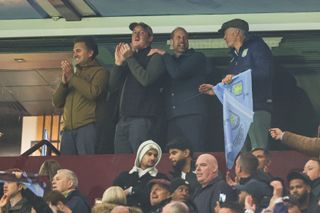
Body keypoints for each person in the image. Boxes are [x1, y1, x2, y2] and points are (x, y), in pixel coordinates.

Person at [199, 18, 274, 150]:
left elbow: (265, 72)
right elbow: (234, 84)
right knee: (242, 153)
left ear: (237, 33)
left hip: (256, 108)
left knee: (258, 152)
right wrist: (216, 89)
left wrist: (237, 77)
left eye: (226, 33)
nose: (224, 37)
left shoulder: (257, 46)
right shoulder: (234, 58)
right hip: (240, 113)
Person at [109, 22, 166, 153]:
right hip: (122, 120)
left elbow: (146, 80)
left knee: (141, 162)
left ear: (150, 38)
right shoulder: (129, 59)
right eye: (134, 32)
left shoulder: (154, 57)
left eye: (141, 33)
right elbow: (112, 87)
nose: (136, 35)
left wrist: (129, 58)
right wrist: (118, 64)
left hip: (142, 120)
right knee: (121, 164)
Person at [52, 36, 109, 155]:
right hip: (67, 130)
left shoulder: (100, 71)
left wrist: (72, 77)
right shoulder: (73, 74)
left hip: (88, 128)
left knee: (87, 167)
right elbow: (57, 103)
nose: (75, 55)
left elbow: (93, 93)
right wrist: (64, 83)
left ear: (90, 53)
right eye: (73, 51)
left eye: (78, 51)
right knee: (66, 169)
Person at [159, 27, 209, 152]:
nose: (182, 40)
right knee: (175, 157)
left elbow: (178, 73)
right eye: (178, 37)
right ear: (171, 41)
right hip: (172, 117)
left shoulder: (197, 57)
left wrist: (164, 55)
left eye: (185, 38)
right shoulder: (169, 61)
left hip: (192, 114)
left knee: (195, 153)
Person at [113, 140, 167, 211]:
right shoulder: (124, 176)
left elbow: (163, 197)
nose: (153, 158)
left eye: (155, 155)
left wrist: (131, 190)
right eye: (149, 154)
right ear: (141, 154)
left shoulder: (160, 178)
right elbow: (113, 195)